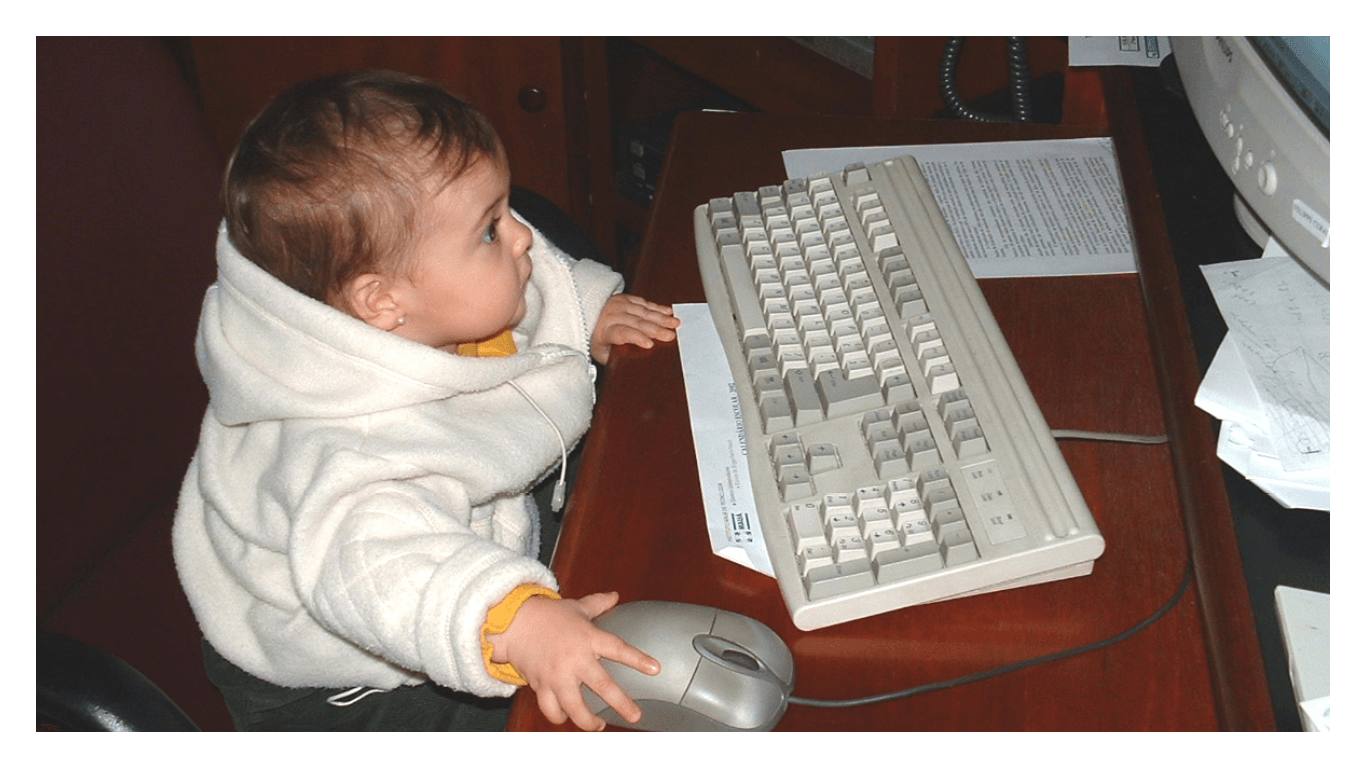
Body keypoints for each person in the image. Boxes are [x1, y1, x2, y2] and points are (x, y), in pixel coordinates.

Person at [173, 70, 680, 731]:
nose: (521, 236)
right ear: (383, 302)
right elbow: (380, 569)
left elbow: (527, 283)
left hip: (434, 541)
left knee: (639, 503)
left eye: (502, 210)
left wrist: (588, 311)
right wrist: (515, 622)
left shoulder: (419, 299)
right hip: (351, 661)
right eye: (490, 230)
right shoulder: (349, 456)